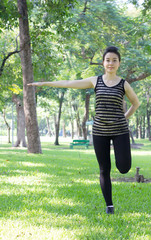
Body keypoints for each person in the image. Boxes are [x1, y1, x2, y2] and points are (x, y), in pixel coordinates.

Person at [28, 46, 140, 214]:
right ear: (103, 63)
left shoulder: (124, 84)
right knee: (104, 169)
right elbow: (68, 83)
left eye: (114, 60)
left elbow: (136, 103)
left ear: (119, 63)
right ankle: (109, 206)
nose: (110, 63)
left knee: (124, 168)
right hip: (99, 131)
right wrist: (45, 83)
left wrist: (124, 117)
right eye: (107, 60)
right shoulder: (95, 81)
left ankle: (120, 163)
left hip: (120, 130)